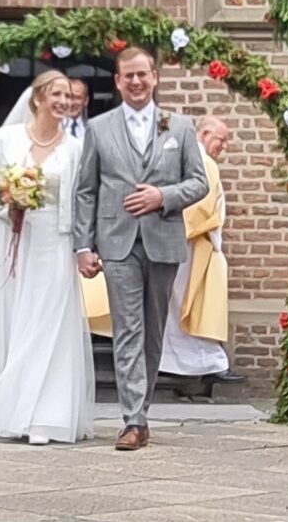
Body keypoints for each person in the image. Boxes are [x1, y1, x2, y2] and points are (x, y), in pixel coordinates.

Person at [73, 46, 208, 449]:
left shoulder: (179, 127)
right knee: (127, 329)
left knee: (152, 331)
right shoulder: (99, 128)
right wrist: (83, 245)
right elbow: (86, 190)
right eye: (128, 76)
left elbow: (199, 183)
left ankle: (142, 411)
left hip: (162, 239)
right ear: (117, 81)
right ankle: (133, 419)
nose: (135, 82)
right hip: (117, 242)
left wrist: (162, 196)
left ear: (154, 77)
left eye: (142, 74)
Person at [0, 70, 96, 443]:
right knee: (14, 320)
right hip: (13, 239)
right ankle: (10, 409)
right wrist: (9, 206)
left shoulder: (75, 148)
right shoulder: (7, 138)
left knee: (49, 324)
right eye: (57, 94)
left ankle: (46, 416)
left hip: (55, 242)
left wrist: (84, 246)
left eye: (69, 96)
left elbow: (82, 198)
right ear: (38, 98)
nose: (65, 101)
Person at [160, 112, 232, 396]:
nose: (223, 146)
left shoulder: (196, 160)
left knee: (187, 306)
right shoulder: (202, 162)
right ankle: (202, 363)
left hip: (193, 243)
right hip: (193, 246)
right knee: (188, 306)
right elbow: (198, 208)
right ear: (204, 135)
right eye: (221, 139)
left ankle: (194, 362)